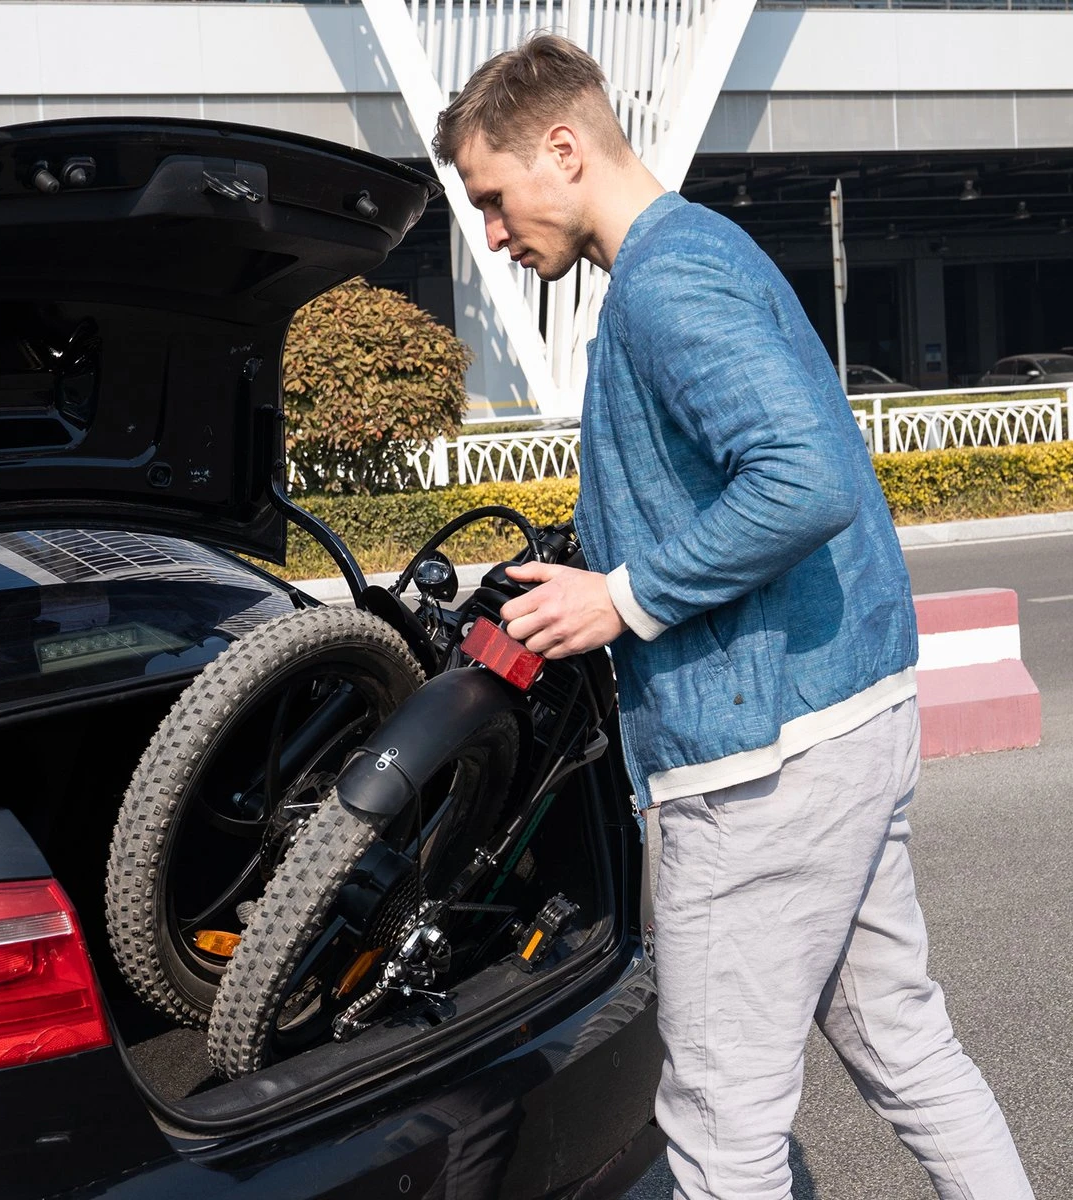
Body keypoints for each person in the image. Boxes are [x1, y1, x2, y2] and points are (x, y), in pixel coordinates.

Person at [432, 33, 1033, 1200]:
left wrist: (623, 598)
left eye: (494, 199)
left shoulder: (663, 284)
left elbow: (803, 480)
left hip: (763, 767)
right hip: (848, 722)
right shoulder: (708, 246)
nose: (493, 236)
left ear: (562, 147)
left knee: (720, 1133)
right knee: (906, 1050)